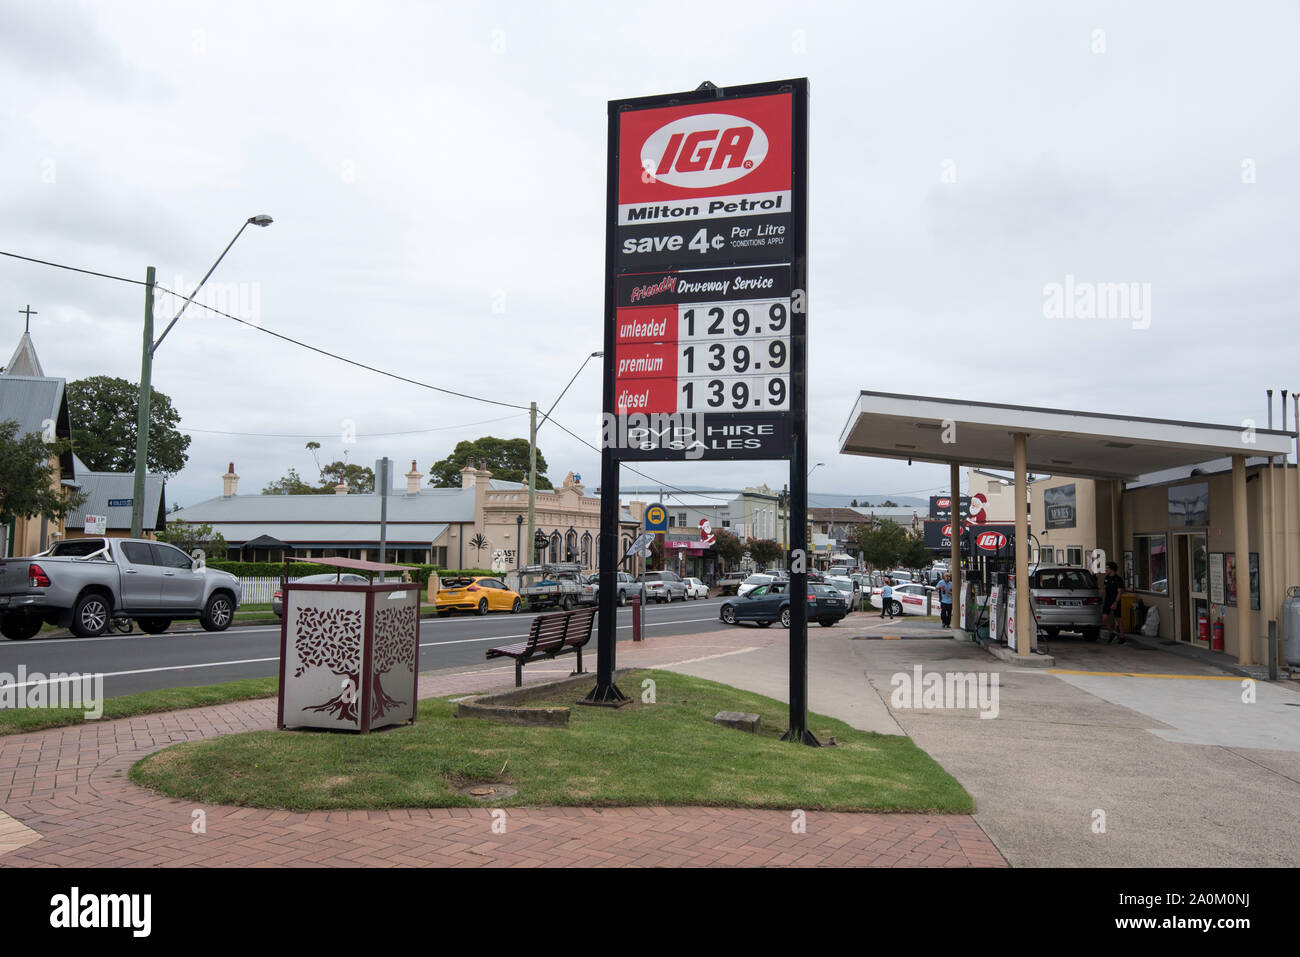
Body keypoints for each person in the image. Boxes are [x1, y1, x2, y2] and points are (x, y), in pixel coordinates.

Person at [1102, 561, 1125, 643]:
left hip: (1115, 601)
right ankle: (1112, 632)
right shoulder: (1107, 577)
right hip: (1107, 601)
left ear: (1112, 569)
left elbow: (1120, 592)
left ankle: (1122, 637)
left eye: (1107, 568)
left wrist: (1116, 602)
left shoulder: (1118, 579)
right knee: (1104, 618)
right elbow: (1104, 588)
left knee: (1118, 619)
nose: (1106, 569)